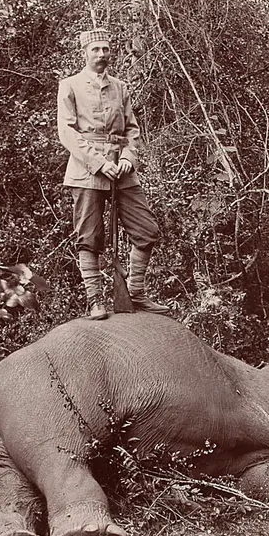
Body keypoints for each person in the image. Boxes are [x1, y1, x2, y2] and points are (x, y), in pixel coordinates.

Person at [57, 28, 169, 320]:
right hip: (86, 172)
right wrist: (97, 163)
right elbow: (67, 132)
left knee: (147, 230)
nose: (101, 54)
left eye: (106, 49)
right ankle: (95, 300)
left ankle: (136, 293)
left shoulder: (120, 87)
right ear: (85, 53)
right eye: (95, 49)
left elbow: (132, 129)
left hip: (122, 170)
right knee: (89, 237)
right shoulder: (69, 85)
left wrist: (130, 157)